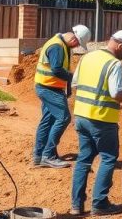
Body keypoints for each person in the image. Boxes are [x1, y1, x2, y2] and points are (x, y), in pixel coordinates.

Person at [70, 30, 122, 216]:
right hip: (102, 119)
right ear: (120, 45)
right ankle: (99, 204)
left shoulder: (87, 57)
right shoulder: (114, 64)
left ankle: (76, 206)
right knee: (108, 158)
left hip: (81, 117)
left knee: (84, 159)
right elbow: (116, 93)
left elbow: (75, 84)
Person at [31, 25, 91, 169]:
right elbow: (57, 69)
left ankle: (38, 156)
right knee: (64, 118)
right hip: (48, 88)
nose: (77, 47)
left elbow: (62, 69)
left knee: (48, 120)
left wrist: (68, 87)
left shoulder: (61, 44)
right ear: (73, 38)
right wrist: (73, 78)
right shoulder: (57, 46)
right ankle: (48, 155)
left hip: (48, 87)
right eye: (77, 43)